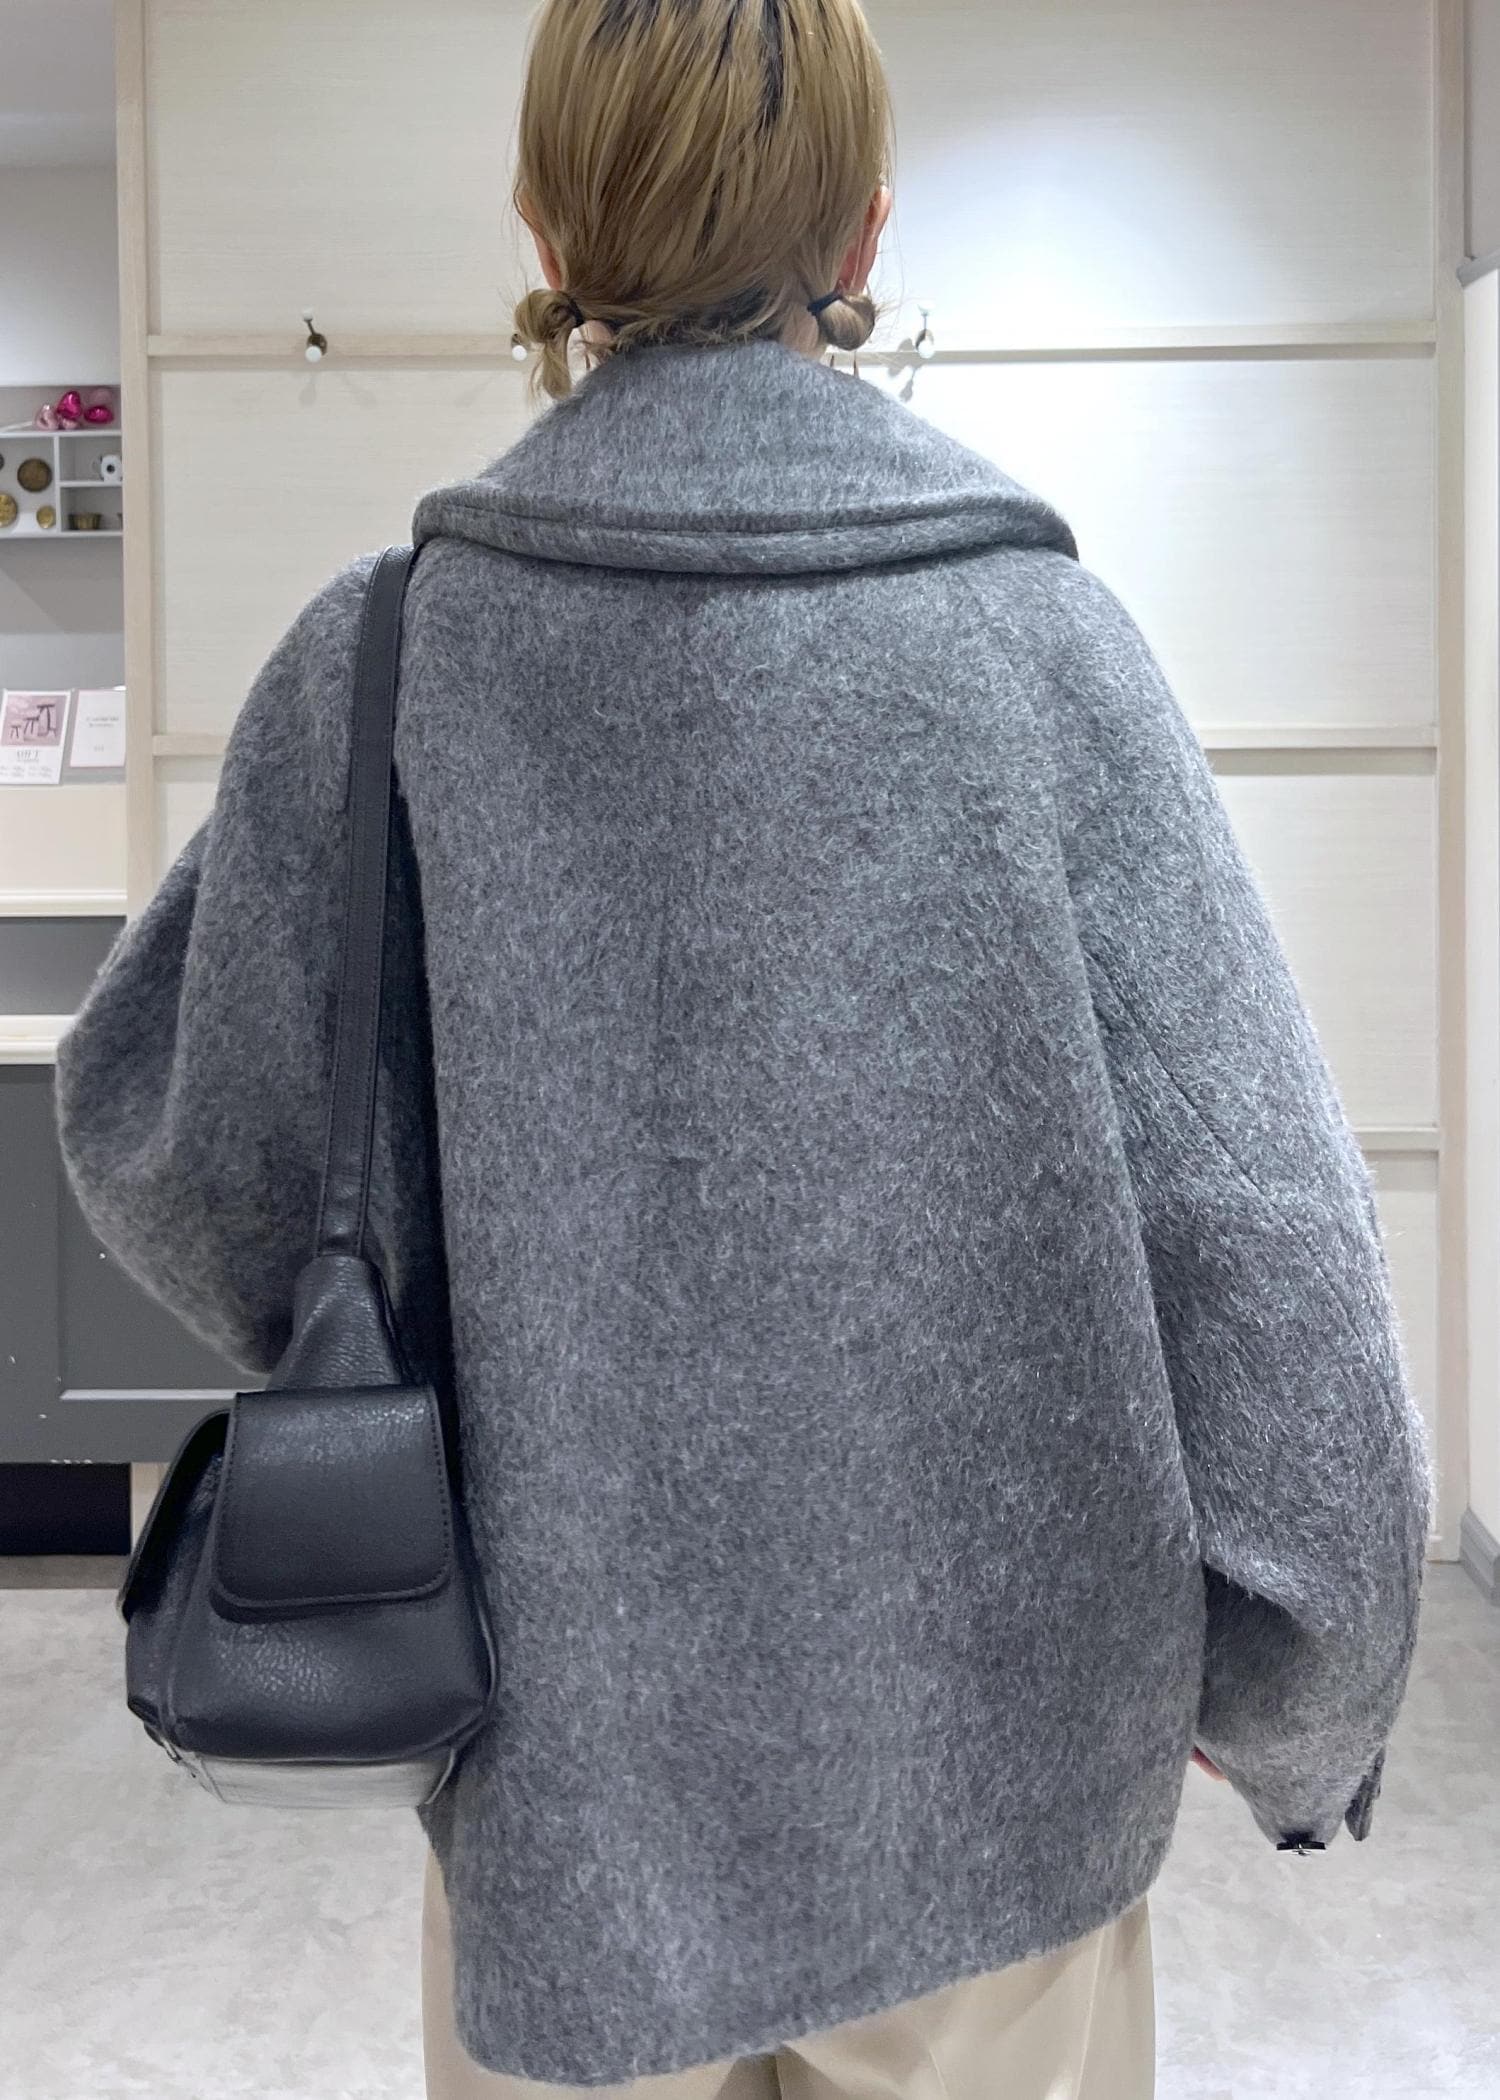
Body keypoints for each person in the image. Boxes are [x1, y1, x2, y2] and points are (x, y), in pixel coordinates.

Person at [53, 2, 1435, 2096]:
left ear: (542, 228)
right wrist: (1302, 1693)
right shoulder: (1040, 649)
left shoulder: (384, 656)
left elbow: (176, 1144)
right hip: (998, 1790)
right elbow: (1264, 1237)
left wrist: (447, 1331)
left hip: (560, 1780)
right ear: (866, 229)